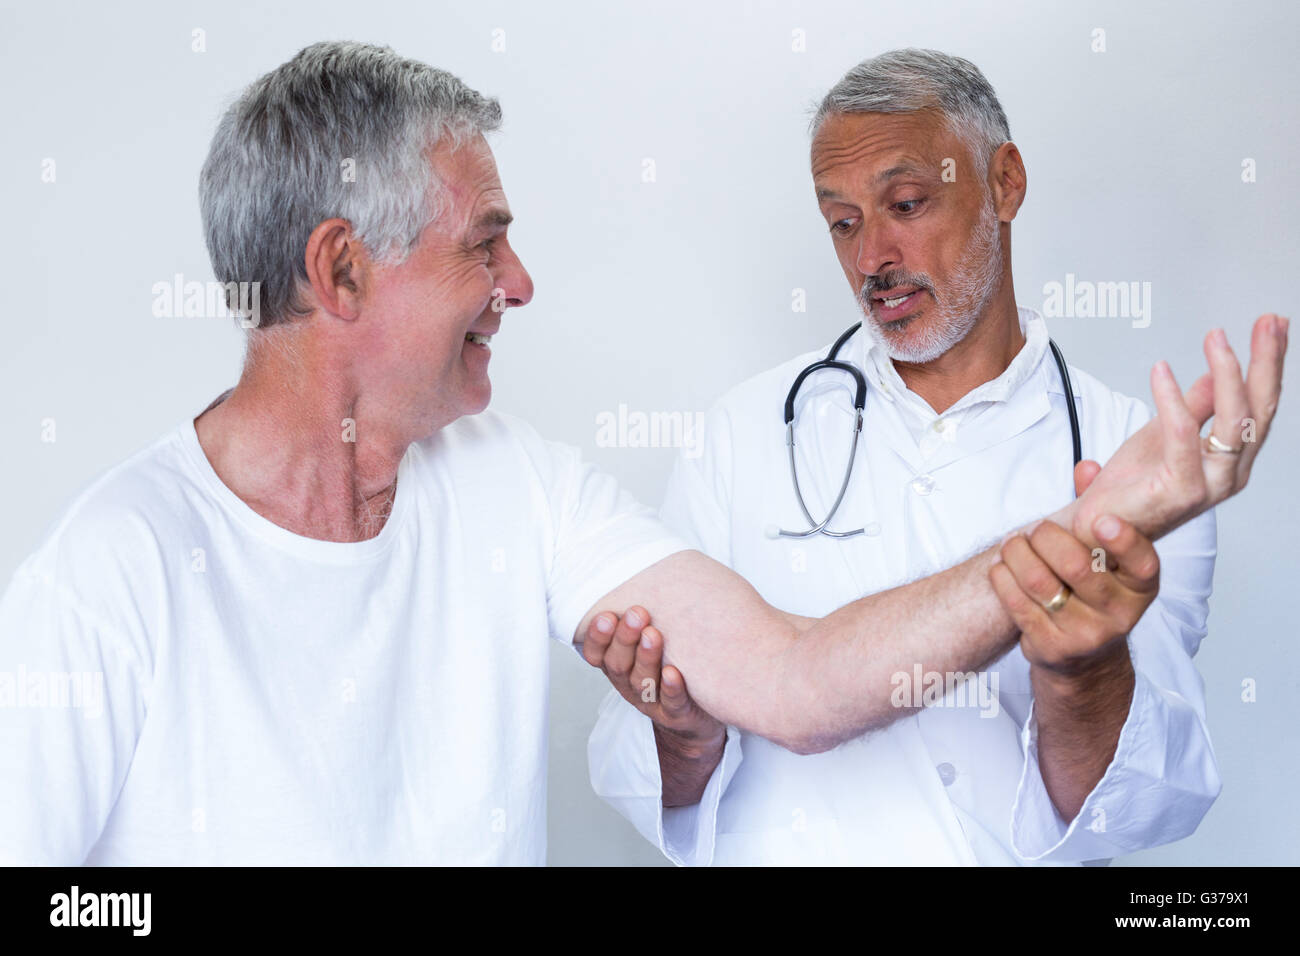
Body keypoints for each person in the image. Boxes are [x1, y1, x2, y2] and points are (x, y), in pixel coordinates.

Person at [0, 42, 1282, 865]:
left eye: (905, 202)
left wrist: (1106, 520)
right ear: (341, 268)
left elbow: (787, 677)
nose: (522, 281)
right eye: (482, 244)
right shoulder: (113, 572)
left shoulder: (515, 483)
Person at [586, 48, 1288, 865]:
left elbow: (1135, 810)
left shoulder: (1138, 463)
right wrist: (683, 735)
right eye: (843, 222)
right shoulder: (742, 435)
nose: (871, 255)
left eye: (906, 203)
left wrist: (1082, 672)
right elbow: (640, 770)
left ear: (1005, 183)